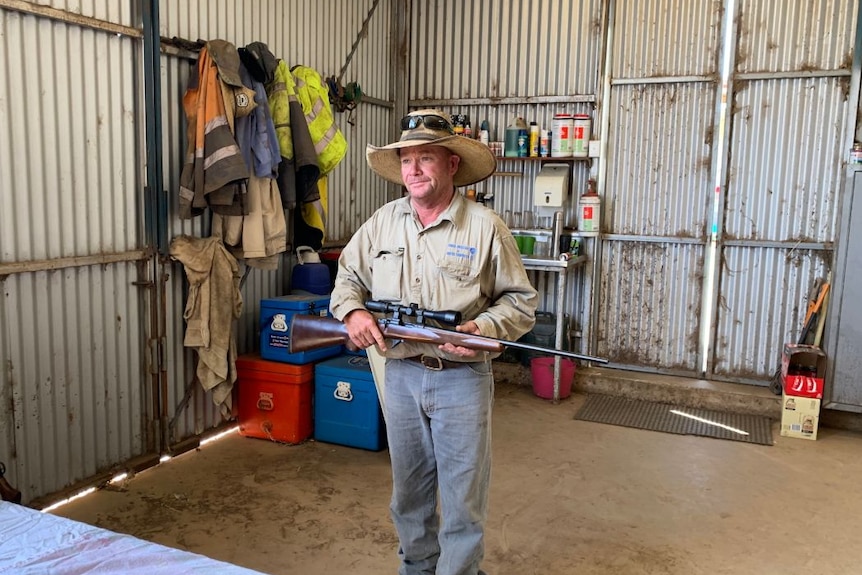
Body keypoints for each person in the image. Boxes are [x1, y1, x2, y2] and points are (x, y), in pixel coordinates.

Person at [329, 109, 538, 575]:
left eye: (426, 158)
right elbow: (346, 277)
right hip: (399, 375)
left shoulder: (485, 227)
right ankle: (417, 569)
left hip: (461, 379)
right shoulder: (383, 222)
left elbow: (520, 303)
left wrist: (483, 330)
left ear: (452, 166)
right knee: (409, 493)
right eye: (407, 159)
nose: (414, 169)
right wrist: (355, 311)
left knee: (463, 498)